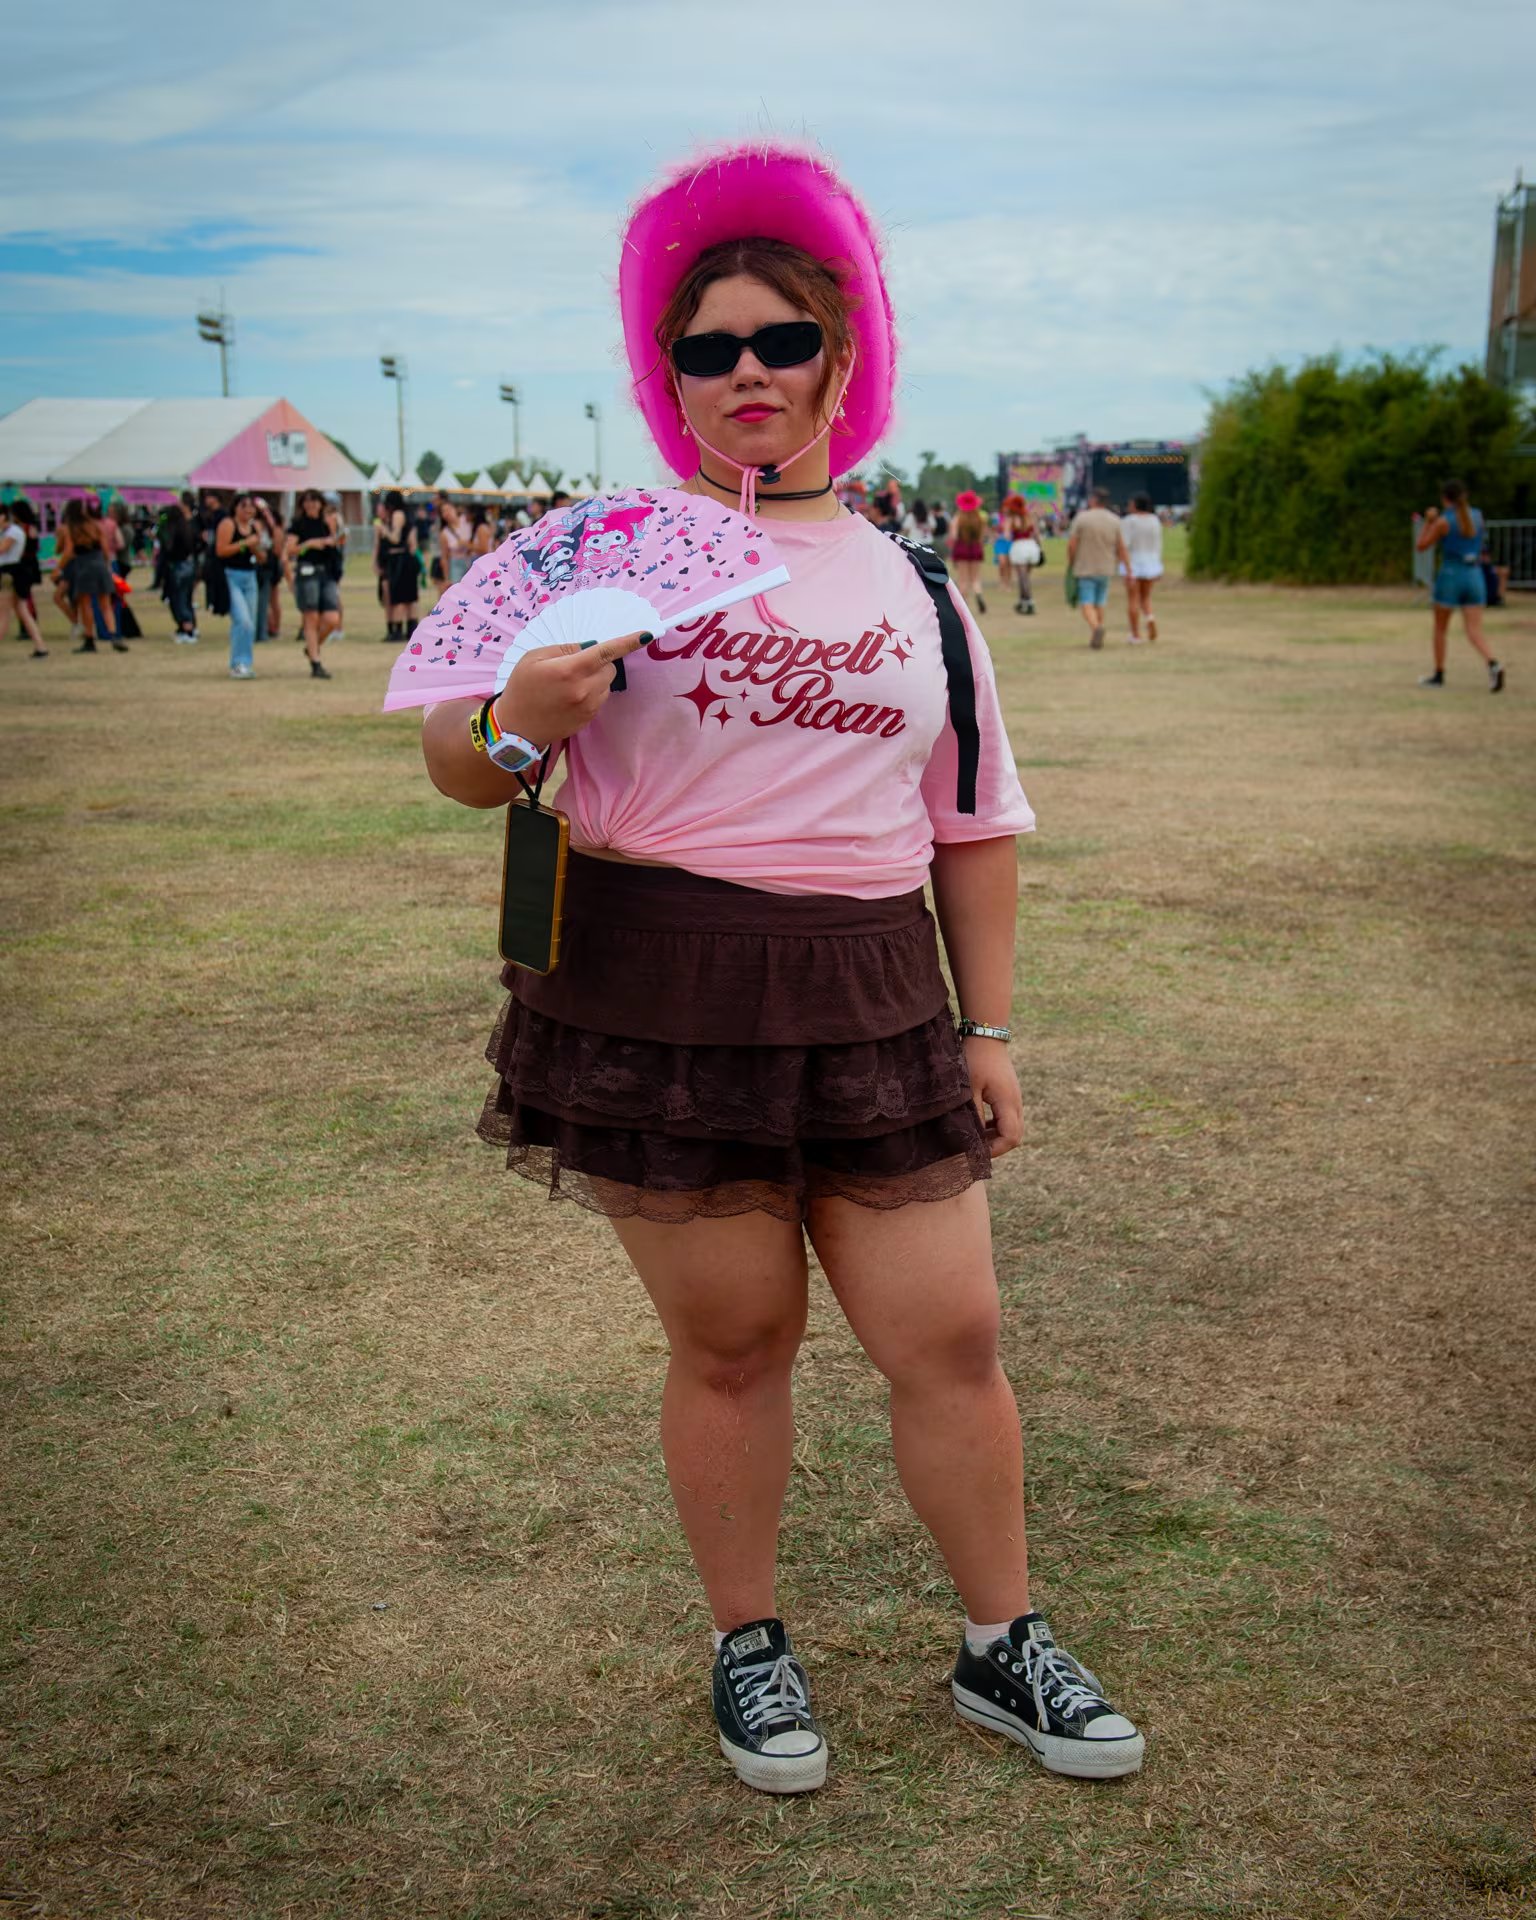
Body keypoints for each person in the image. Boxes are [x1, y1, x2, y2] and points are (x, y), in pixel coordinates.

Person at [416, 139, 1143, 1799]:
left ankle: (1000, 1644)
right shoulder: (602, 546)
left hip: (873, 991)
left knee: (947, 1334)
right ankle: (751, 1646)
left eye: (781, 340)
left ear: (842, 355)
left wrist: (994, 1029)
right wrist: (520, 730)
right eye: (707, 349)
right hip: (655, 985)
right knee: (734, 1345)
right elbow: (463, 765)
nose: (746, 374)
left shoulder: (919, 588)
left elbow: (973, 824)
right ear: (667, 377)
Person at [1414, 481, 1504, 692]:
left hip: (1451, 575)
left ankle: (1439, 674)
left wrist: (1428, 522)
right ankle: (1493, 663)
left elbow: (1421, 546)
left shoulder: (1443, 522)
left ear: (1445, 498)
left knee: (1440, 628)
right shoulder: (1477, 516)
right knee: (1474, 630)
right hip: (1475, 575)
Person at [55, 499, 126, 652]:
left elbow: (67, 551)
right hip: (99, 562)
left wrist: (58, 569)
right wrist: (107, 565)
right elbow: (105, 548)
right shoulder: (96, 525)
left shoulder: (70, 528)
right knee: (106, 604)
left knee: (86, 604)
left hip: (83, 565)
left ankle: (89, 639)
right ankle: (114, 636)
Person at [286, 486, 339, 679]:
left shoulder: (327, 523)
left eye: (314, 500)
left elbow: (335, 545)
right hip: (307, 572)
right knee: (311, 618)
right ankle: (316, 663)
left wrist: (333, 541)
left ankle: (312, 647)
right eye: (307, 501)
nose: (311, 504)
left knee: (332, 619)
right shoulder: (297, 525)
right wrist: (308, 545)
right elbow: (290, 550)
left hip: (326, 573)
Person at [1067, 488, 1128, 648]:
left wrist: (1072, 562)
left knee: (1086, 602)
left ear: (1093, 500)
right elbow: (1121, 547)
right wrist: (1127, 567)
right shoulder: (1115, 520)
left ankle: (1096, 627)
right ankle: (1097, 632)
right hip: (1106, 567)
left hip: (1085, 566)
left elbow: (1072, 544)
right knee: (1100, 602)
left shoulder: (1082, 518)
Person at [215, 493, 264, 679]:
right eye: (244, 506)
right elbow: (221, 550)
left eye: (251, 507)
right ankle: (238, 663)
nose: (248, 510)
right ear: (235, 507)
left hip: (250, 576)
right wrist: (245, 542)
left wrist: (255, 547)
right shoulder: (228, 524)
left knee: (249, 623)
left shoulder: (255, 527)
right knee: (242, 620)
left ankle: (245, 663)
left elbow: (262, 557)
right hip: (231, 576)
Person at [0, 500, 47, 656]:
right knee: (22, 610)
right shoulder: (10, 531)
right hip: (11, 571)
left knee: (4, 613)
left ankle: (40, 646)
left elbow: (2, 549)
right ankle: (40, 646)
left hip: (10, 572)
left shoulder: (13, 532)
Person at [375, 489, 419, 642]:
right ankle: (412, 630)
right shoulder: (409, 516)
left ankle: (398, 631)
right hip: (409, 558)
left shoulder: (397, 515)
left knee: (400, 596)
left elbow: (395, 537)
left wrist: (383, 530)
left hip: (399, 559)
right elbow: (413, 544)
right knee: (410, 597)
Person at [1121, 492, 1163, 643]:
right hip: (1151, 562)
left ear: (1135, 505)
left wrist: (1124, 565)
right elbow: (1158, 544)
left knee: (1133, 599)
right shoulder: (1154, 520)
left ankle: (1135, 634)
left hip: (1134, 562)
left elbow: (1124, 544)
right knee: (1146, 597)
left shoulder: (1129, 521)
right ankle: (1150, 618)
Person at [157, 501, 200, 642]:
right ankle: (189, 626)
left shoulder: (170, 530)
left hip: (176, 567)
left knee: (178, 599)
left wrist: (161, 525)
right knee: (186, 598)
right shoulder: (188, 528)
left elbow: (167, 548)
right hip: (189, 565)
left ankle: (187, 629)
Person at [949, 489, 987, 614]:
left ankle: (962, 608)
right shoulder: (979, 519)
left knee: (963, 579)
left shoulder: (958, 518)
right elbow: (982, 537)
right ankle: (978, 594)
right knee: (975, 578)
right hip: (975, 548)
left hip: (961, 548)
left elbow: (954, 536)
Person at [1003, 494, 1040, 615]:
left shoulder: (1011, 519)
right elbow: (1036, 534)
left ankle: (1029, 601)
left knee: (1022, 577)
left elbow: (1007, 536)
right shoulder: (1029, 517)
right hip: (1031, 546)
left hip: (1019, 546)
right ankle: (1022, 601)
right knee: (1026, 577)